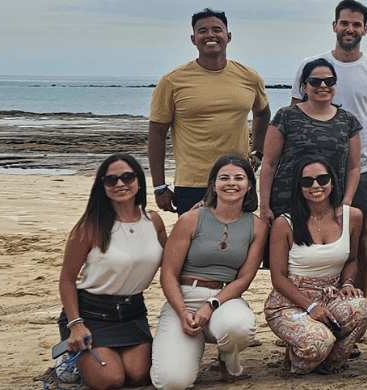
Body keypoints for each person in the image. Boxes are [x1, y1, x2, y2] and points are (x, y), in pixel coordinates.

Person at [290, 0, 367, 292]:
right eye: (344, 23)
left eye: (356, 24)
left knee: (358, 242)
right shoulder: (311, 67)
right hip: (312, 170)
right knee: (307, 237)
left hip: (361, 170)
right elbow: (295, 118)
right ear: (334, 25)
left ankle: (355, 302)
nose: (350, 29)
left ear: (365, 29)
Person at [152, 155, 266, 390]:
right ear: (214, 185)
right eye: (224, 178)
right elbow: (168, 274)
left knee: (239, 327)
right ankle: (189, 342)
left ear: (249, 185)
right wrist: (183, 312)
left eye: (239, 178)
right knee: (171, 382)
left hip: (224, 299)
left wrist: (211, 304)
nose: (231, 183)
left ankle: (227, 355)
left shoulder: (258, 226)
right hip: (182, 298)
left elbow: (244, 279)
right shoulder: (191, 219)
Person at [57, 154, 165, 390]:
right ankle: (71, 358)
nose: (120, 184)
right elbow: (66, 279)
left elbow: (172, 262)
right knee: (111, 380)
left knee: (139, 375)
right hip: (91, 314)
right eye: (111, 180)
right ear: (102, 186)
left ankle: (93, 358)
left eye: (127, 177)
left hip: (133, 313)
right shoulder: (90, 226)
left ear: (138, 181)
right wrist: (76, 324)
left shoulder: (153, 221)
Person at [148, 8, 270, 214]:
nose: (210, 35)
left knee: (242, 241)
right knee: (195, 242)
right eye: (202, 31)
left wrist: (258, 152)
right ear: (193, 39)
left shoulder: (250, 77)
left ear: (228, 36)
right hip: (193, 182)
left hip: (238, 178)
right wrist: (159, 186)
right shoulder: (172, 81)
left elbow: (262, 113)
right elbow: (157, 133)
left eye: (217, 29)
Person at [265, 157, 367, 374]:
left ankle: (331, 362)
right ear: (299, 186)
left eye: (322, 179)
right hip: (291, 301)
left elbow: (352, 260)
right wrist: (311, 307)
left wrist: (347, 284)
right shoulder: (284, 223)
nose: (316, 186)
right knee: (318, 343)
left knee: (362, 309)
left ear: (332, 182)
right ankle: (301, 355)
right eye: (307, 181)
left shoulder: (352, 216)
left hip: (331, 295)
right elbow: (278, 278)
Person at [261, 58, 362, 221]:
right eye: (315, 81)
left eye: (329, 81)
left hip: (330, 205)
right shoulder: (285, 117)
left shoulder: (348, 121)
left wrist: (346, 203)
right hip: (286, 203)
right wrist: (264, 207)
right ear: (304, 87)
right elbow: (269, 164)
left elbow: (354, 168)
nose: (323, 86)